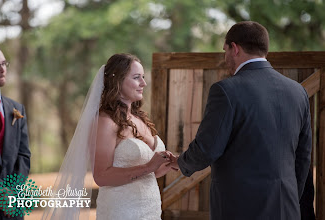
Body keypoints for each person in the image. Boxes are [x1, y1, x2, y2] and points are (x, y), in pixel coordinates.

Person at [170, 21, 312, 220]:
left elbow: (207, 148)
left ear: (234, 48)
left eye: (225, 50)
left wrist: (180, 162)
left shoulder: (226, 91)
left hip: (240, 209)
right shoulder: (298, 91)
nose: (225, 56)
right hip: (286, 208)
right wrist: (289, 196)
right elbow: (303, 155)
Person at [42, 53, 176, 220]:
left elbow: (148, 173)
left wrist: (166, 165)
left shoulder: (139, 119)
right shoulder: (105, 122)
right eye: (136, 78)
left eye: (142, 77)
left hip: (150, 211)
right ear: (117, 82)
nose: (144, 83)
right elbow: (101, 176)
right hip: (121, 211)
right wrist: (148, 167)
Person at [0, 44, 31, 219]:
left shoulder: (17, 108)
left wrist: (13, 193)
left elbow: (24, 155)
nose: (2, 69)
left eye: (4, 63)